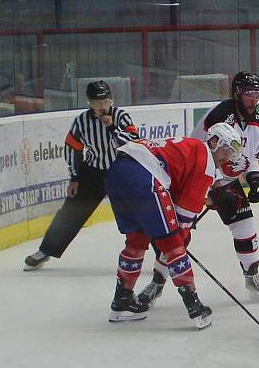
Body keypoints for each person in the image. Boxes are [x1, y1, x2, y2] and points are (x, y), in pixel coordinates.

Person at [138, 72, 259, 306]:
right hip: (196, 178)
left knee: (245, 224)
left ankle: (252, 277)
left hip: (224, 181)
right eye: (250, 95)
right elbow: (197, 150)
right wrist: (206, 190)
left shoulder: (258, 123)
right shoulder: (221, 115)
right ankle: (157, 282)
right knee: (179, 234)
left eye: (258, 96)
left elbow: (251, 158)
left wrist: (255, 177)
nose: (255, 100)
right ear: (237, 93)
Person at [105, 128, 245, 329]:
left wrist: (209, 198)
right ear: (215, 141)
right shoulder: (206, 159)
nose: (228, 157)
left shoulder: (191, 147)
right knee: (173, 243)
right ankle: (194, 306)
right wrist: (179, 240)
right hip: (144, 176)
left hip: (118, 172)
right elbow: (183, 219)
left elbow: (175, 191)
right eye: (228, 150)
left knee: (136, 240)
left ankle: (122, 302)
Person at [24, 81, 139, 271]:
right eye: (98, 101)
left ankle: (165, 252)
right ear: (89, 102)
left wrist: (111, 127)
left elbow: (134, 142)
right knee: (71, 211)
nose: (103, 105)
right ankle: (46, 250)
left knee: (142, 210)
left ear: (112, 100)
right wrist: (75, 176)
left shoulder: (121, 116)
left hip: (121, 170)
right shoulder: (81, 121)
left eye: (106, 100)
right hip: (92, 171)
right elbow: (72, 148)